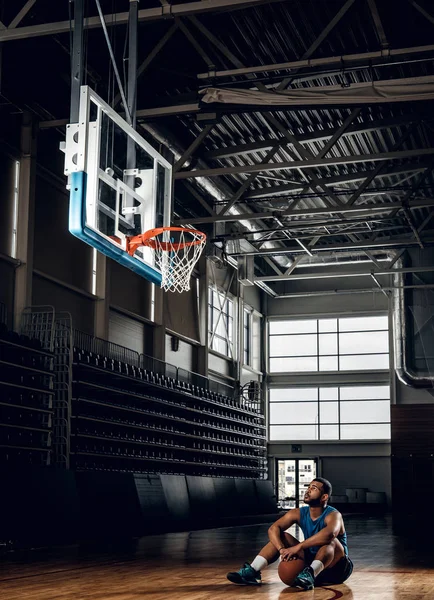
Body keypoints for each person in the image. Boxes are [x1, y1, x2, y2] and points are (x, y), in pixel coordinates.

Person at [226, 477, 353, 590]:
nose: (308, 490)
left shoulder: (334, 515)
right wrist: (281, 549)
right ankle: (253, 571)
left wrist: (297, 547)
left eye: (313, 488)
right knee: (281, 535)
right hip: (312, 561)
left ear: (324, 497)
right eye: (308, 487)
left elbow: (329, 535)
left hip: (337, 568)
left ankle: (310, 573)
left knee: (331, 541)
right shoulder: (298, 512)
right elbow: (273, 529)